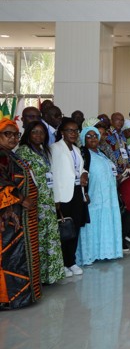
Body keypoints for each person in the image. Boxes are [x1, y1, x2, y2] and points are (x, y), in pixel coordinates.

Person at [16, 121, 65, 284]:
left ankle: (49, 275)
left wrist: (55, 198)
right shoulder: (23, 152)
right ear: (28, 134)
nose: (38, 135)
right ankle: (38, 276)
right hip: (34, 201)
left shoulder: (44, 150)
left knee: (49, 238)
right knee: (37, 240)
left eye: (41, 132)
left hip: (48, 200)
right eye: (34, 132)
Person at [0, 118, 42, 309]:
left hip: (21, 218)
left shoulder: (11, 155)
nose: (13, 138)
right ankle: (9, 298)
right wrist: (20, 198)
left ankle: (22, 295)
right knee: (9, 257)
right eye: (7, 134)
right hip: (8, 220)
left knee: (20, 255)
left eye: (16, 134)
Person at [75, 126, 123, 266]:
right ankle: (90, 255)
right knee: (93, 224)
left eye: (95, 135)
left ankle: (107, 252)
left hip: (108, 197)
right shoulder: (83, 153)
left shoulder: (101, 152)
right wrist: (84, 192)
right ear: (83, 139)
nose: (93, 138)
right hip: (93, 197)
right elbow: (80, 173)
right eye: (89, 136)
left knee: (106, 222)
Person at [50, 118, 90, 277]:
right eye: (69, 130)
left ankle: (71, 261)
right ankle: (63, 263)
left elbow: (80, 169)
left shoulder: (77, 149)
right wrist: (56, 199)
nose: (73, 133)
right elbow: (53, 174)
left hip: (77, 193)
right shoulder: (55, 148)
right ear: (62, 132)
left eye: (75, 131)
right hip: (63, 195)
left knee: (75, 228)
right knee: (64, 229)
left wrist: (85, 173)